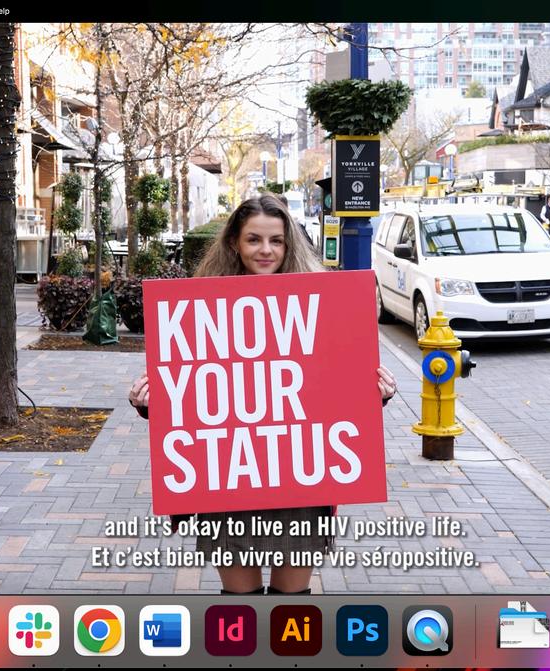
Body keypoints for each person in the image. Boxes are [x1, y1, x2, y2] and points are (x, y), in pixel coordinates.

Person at [128, 193, 397, 595]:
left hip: (302, 479)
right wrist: (150, 402)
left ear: (289, 245)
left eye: (276, 240)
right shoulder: (201, 305)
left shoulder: (322, 303)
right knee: (241, 603)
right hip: (229, 479)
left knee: (292, 602)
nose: (266, 250)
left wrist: (375, 394)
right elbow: (192, 391)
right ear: (234, 243)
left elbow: (334, 387)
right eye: (254, 239)